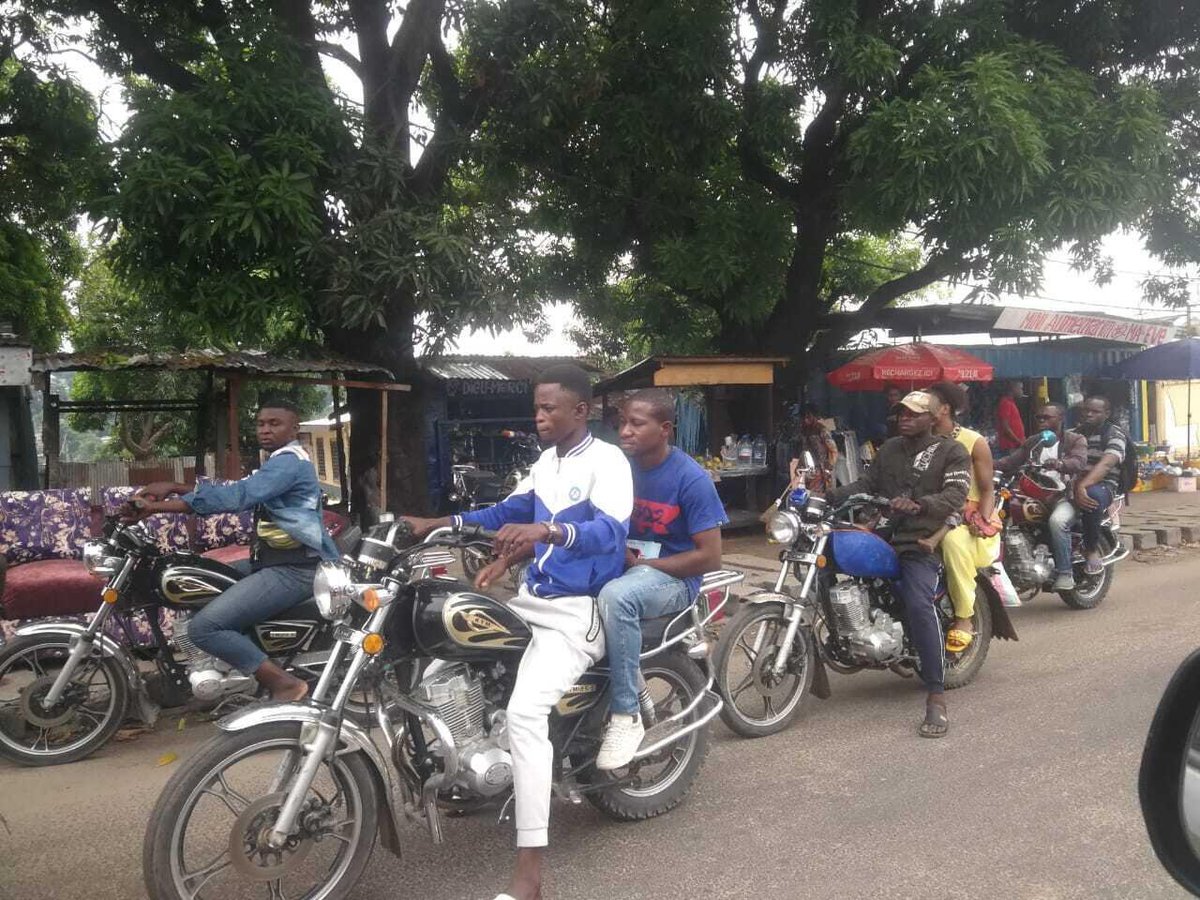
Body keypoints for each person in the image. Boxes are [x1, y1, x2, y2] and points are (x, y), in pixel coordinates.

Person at [401, 364, 632, 900]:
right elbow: (506, 510)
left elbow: (609, 533)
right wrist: (433, 524)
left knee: (526, 714)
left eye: (549, 408)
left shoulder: (608, 461)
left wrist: (547, 529)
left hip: (579, 611)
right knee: (449, 657)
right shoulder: (546, 463)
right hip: (534, 600)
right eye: (537, 407)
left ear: (581, 410)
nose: (540, 416)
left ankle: (530, 876)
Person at [125, 400, 338, 701]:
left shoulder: (288, 463)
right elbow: (234, 487)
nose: (265, 429)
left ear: (294, 427)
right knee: (201, 578)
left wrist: (156, 507)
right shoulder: (278, 461)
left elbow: (239, 496)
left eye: (274, 423)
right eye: (261, 423)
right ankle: (222, 668)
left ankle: (284, 684)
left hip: (294, 568)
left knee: (205, 629)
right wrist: (174, 486)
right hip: (271, 561)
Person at [594, 389, 727, 770]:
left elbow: (710, 556)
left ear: (665, 428)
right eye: (623, 423)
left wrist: (647, 567)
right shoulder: (618, 469)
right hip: (627, 568)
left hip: (672, 580)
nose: (626, 431)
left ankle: (626, 714)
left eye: (637, 423)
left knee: (617, 598)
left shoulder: (691, 479)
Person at [827, 390, 971, 739]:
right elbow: (866, 484)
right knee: (829, 562)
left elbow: (956, 496)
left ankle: (936, 694)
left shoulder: (952, 451)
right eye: (900, 413)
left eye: (913, 413)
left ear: (934, 417)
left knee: (919, 603)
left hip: (920, 541)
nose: (904, 418)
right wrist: (827, 496)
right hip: (884, 535)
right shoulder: (889, 449)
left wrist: (919, 505)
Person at [925, 382, 999, 653]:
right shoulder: (916, 440)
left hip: (966, 517)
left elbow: (988, 490)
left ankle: (965, 617)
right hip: (928, 513)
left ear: (944, 409)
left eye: (927, 403)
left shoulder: (973, 441)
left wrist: (983, 520)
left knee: (953, 543)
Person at [996, 402, 1089, 591]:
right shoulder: (1035, 441)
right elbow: (1012, 461)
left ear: (1061, 418)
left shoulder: (1074, 439)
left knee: (1057, 522)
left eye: (1047, 417)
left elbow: (1078, 462)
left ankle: (1065, 573)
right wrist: (986, 462)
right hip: (1036, 494)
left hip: (1064, 496)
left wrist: (1060, 464)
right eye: (1039, 417)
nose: (1042, 421)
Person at [1053, 395, 1127, 583]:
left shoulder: (1114, 434)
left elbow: (1107, 464)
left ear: (1107, 413)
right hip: (1073, 485)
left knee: (1091, 497)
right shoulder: (1075, 434)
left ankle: (1091, 549)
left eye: (1095, 411)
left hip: (1103, 486)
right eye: (1086, 410)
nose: (1089, 414)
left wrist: (1083, 485)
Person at [995, 380, 1027, 452]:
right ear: (1013, 389)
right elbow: (1005, 427)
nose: (1022, 391)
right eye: (1020, 388)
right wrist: (1018, 441)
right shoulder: (1005, 403)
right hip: (1010, 446)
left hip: (1015, 445)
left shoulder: (1011, 402)